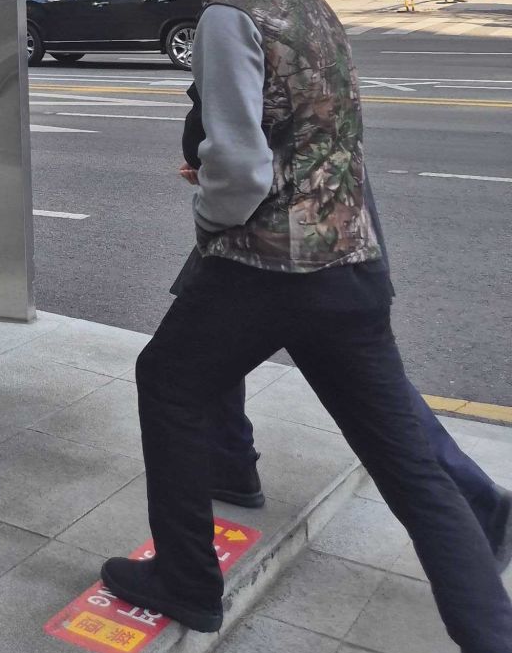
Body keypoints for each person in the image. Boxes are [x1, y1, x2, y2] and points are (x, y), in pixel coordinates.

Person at [102, 0, 512, 653]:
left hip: (267, 267)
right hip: (351, 265)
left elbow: (242, 168)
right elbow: (316, 132)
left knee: (167, 380)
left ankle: (187, 580)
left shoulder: (227, 15)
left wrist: (210, 205)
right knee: (415, 478)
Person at [178, 83, 512, 557]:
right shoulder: (301, 42)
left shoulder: (251, 38)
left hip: (290, 237)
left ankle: (477, 510)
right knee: (205, 348)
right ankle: (228, 463)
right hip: (304, 226)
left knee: (366, 389)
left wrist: (213, 174)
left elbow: (233, 135)